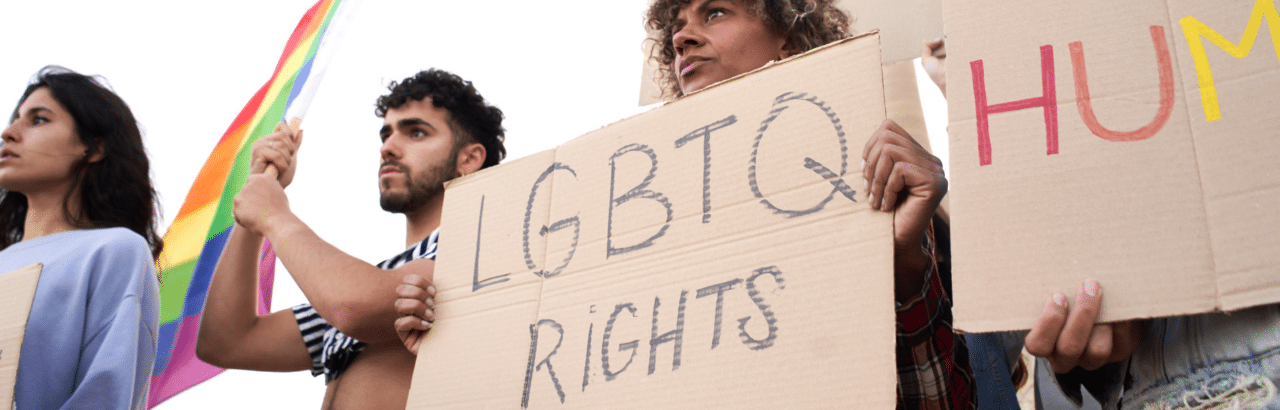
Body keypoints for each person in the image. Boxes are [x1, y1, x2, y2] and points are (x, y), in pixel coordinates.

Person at [395, 0, 974, 408]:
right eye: (676, 23)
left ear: (788, 39)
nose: (682, 36)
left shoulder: (873, 182)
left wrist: (903, 271)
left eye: (715, 11)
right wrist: (461, 333)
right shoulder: (632, 219)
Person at [195, 68, 506, 409]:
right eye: (385, 134)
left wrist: (274, 214)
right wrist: (256, 203)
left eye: (416, 132)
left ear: (469, 158)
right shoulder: (372, 278)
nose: (388, 148)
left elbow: (356, 307)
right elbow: (226, 341)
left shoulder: (480, 246)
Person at [0, 66, 163, 409]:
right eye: (14, 119)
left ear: (93, 147)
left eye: (39, 120)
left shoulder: (112, 252)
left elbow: (103, 396)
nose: (9, 133)